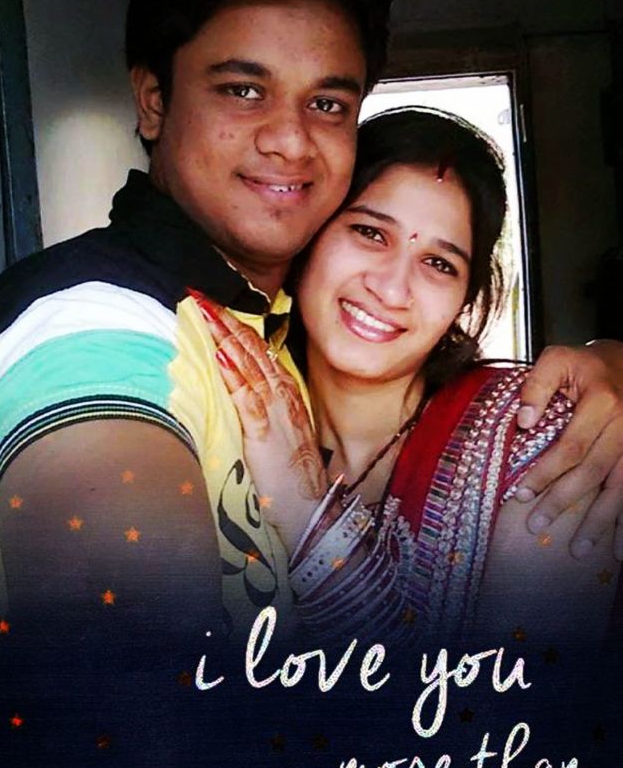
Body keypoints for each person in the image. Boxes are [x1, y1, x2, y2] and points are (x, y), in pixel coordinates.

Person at [0, 0, 622, 654]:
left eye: (326, 103)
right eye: (242, 88)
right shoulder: (95, 328)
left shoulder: (272, 327)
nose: (290, 141)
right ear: (154, 100)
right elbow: (134, 677)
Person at [194, 108, 620, 650]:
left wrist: (305, 513)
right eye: (370, 233)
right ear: (309, 238)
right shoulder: (230, 403)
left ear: (465, 299)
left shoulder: (540, 441)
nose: (393, 289)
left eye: (439, 263)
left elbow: (501, 699)